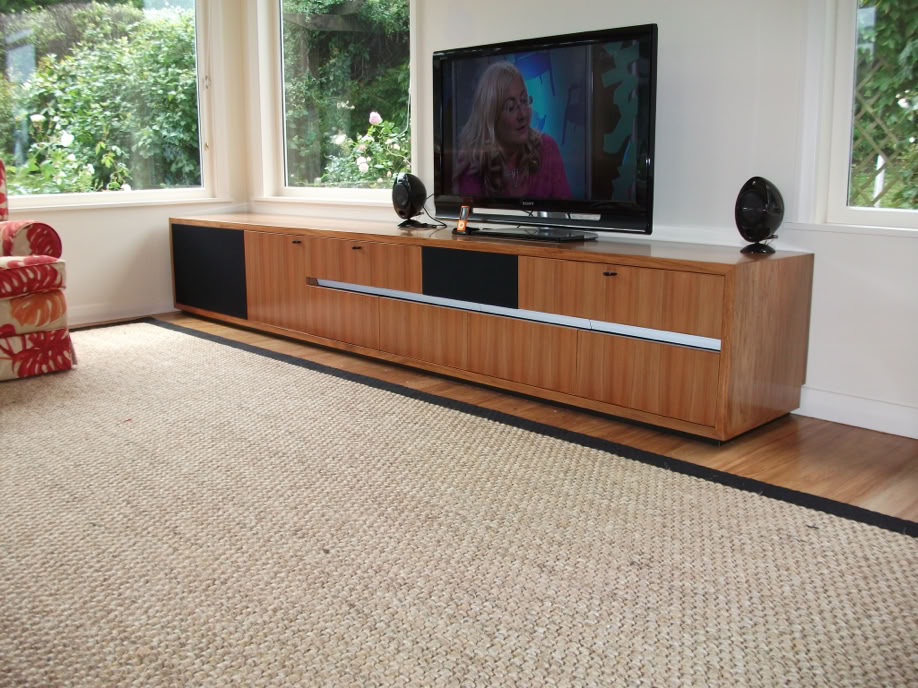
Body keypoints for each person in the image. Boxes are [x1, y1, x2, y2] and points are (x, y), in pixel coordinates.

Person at [453, 62, 571, 199]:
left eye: (524, 101)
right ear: (491, 117)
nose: (523, 115)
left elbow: (566, 211)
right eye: (511, 107)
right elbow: (470, 218)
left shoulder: (547, 148)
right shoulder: (473, 166)